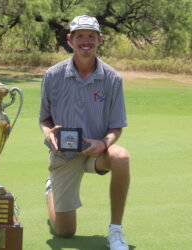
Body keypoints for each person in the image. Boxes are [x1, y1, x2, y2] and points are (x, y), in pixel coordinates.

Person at [39, 15, 130, 250]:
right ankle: (51, 189)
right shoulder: (53, 75)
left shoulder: (112, 78)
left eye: (91, 36)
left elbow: (116, 125)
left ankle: (116, 231)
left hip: (97, 152)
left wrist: (104, 143)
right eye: (80, 36)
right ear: (70, 40)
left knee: (121, 156)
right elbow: (45, 119)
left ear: (100, 39)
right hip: (64, 156)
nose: (85, 41)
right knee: (65, 232)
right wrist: (49, 134)